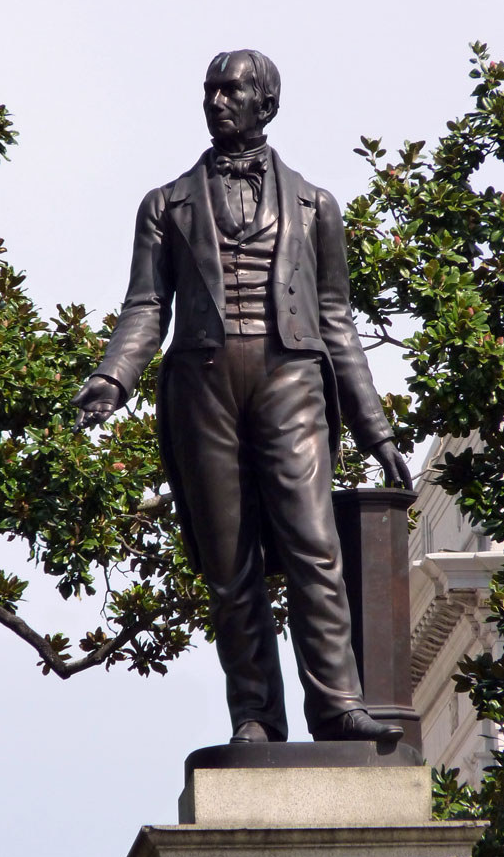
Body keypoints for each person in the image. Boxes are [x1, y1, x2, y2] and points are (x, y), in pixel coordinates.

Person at [73, 50, 412, 744]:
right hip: (202, 384)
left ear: (267, 103)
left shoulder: (317, 205)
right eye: (209, 91)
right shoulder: (166, 204)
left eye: (231, 91)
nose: (217, 102)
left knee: (315, 546)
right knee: (230, 564)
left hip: (292, 379)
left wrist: (377, 432)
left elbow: (337, 321)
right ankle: (256, 713)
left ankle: (337, 705)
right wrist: (112, 377)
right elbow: (145, 307)